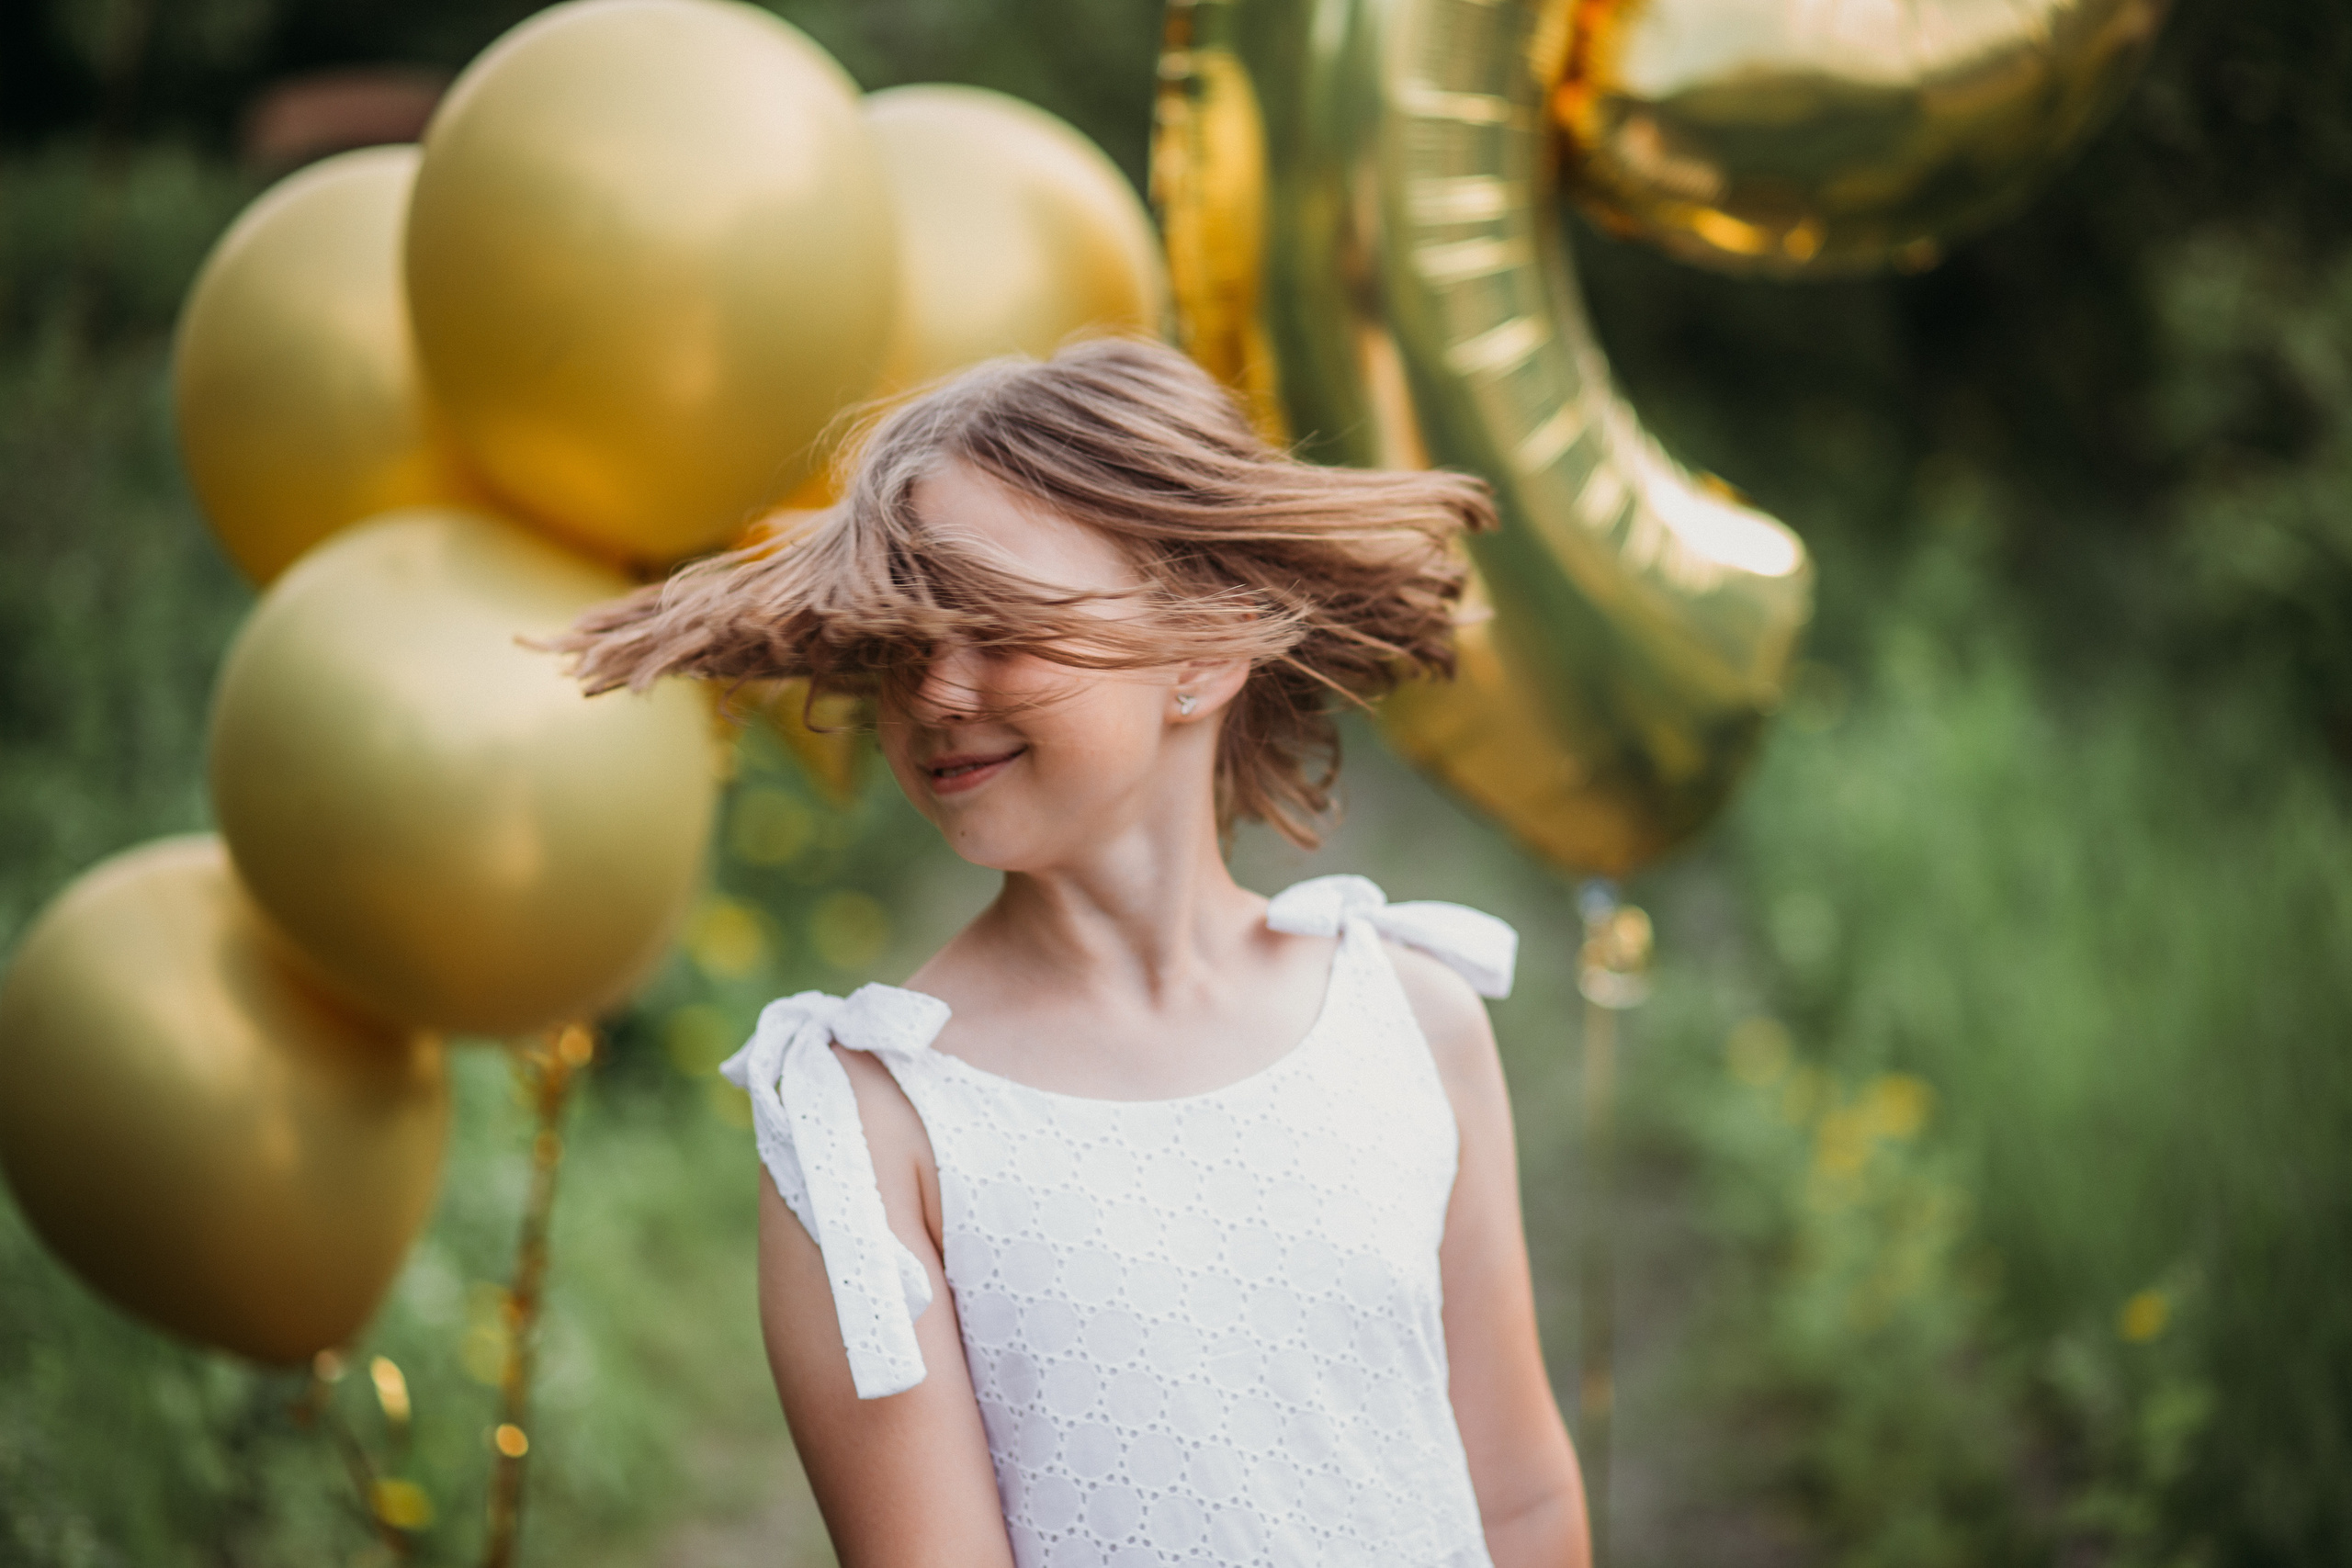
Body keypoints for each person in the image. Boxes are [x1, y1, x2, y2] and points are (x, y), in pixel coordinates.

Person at [556, 339, 1589, 1568]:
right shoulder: (873, 1128)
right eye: (904, 642)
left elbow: (1520, 1504)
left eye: (998, 626)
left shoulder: (1413, 1018)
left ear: (1203, 649)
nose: (937, 690)